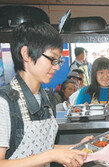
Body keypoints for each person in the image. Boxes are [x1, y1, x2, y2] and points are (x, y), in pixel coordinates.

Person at [0, 21, 93, 167]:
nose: (56, 67)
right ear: (27, 54)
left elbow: (42, 148)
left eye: (58, 61)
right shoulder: (4, 102)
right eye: (52, 59)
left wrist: (77, 147)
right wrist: (51, 155)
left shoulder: (46, 98)